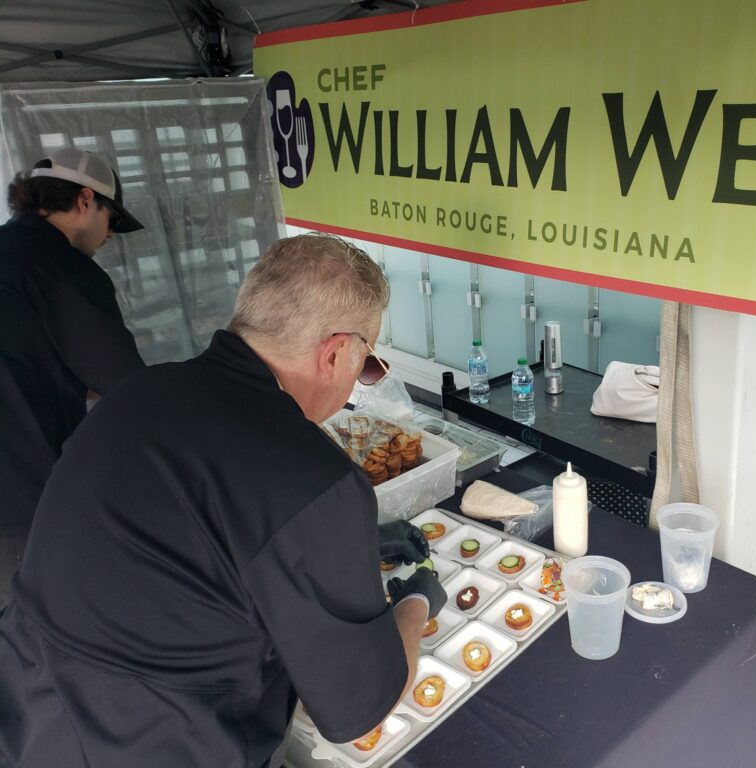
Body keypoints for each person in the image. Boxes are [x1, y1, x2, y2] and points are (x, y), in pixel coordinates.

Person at [0, 233, 447, 767]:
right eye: (368, 363)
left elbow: (192, 541)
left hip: (25, 711)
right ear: (333, 354)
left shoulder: (137, 395)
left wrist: (356, 542)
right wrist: (417, 602)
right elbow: (359, 705)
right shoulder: (309, 474)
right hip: (155, 746)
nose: (360, 381)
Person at [0, 147, 146, 603]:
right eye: (110, 221)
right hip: (25, 497)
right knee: (52, 618)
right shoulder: (62, 269)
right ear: (86, 200)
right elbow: (124, 385)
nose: (107, 238)